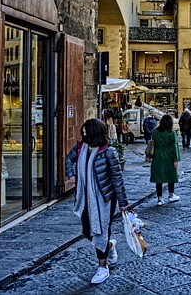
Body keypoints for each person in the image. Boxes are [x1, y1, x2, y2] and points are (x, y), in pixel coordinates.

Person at [65, 119, 128, 285]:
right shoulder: (80, 148)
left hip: (105, 198)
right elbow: (68, 159)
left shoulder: (109, 152)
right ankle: (109, 246)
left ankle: (103, 267)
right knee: (87, 230)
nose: (84, 135)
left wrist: (123, 202)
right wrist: (71, 175)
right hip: (85, 197)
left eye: (87, 133)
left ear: (95, 133)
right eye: (82, 132)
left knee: (100, 231)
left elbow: (117, 178)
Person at [150, 114, 180, 206]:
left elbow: (152, 141)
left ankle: (160, 198)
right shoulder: (172, 133)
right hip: (168, 156)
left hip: (157, 156)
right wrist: (176, 159)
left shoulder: (155, 131)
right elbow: (174, 147)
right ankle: (171, 195)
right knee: (171, 175)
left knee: (159, 178)